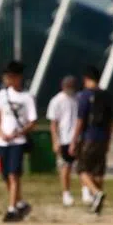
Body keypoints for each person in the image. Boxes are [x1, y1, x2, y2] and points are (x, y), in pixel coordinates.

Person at [0, 60, 37, 223]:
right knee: (5, 175)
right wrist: (0, 132)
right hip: (3, 141)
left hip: (18, 141)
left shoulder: (27, 97)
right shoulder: (2, 95)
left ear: (18, 78)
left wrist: (18, 132)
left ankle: (11, 208)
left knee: (14, 174)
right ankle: (20, 203)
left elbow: (32, 121)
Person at [70, 65, 113, 214]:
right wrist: (108, 140)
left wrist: (74, 140)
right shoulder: (107, 96)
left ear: (86, 79)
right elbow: (110, 122)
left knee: (82, 169)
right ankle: (97, 204)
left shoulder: (84, 96)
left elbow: (81, 120)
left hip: (89, 137)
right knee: (98, 171)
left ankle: (96, 193)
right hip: (103, 138)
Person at [46, 76, 79, 207]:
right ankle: (66, 193)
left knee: (81, 166)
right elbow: (53, 123)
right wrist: (55, 140)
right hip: (64, 137)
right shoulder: (57, 101)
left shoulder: (78, 99)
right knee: (65, 166)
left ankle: (85, 191)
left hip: (77, 137)